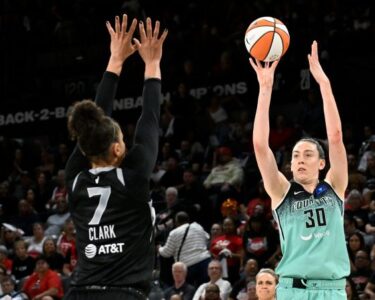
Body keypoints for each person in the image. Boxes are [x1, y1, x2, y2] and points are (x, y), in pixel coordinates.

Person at [63, 14, 168, 300]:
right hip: (124, 294)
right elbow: (150, 119)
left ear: (84, 149)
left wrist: (115, 61)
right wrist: (152, 63)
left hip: (80, 293)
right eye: (122, 138)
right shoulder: (132, 177)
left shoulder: (75, 180)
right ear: (119, 149)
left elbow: (95, 122)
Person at [250, 41, 350, 299]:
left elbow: (336, 137)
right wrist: (265, 88)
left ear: (321, 163)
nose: (301, 159)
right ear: (291, 165)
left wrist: (324, 85)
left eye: (308, 155)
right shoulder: (281, 191)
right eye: (296, 156)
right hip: (292, 290)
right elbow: (261, 146)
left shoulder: (334, 186)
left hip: (333, 290)